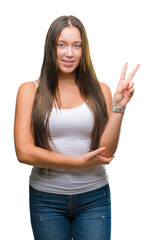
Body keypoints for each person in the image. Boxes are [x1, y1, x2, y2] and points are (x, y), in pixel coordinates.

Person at [14, 15, 140, 240]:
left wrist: (118, 108)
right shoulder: (29, 91)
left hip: (94, 198)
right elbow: (23, 152)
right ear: (50, 48)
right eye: (61, 45)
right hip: (46, 199)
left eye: (76, 45)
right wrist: (77, 163)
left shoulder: (100, 90)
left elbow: (106, 153)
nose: (69, 53)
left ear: (84, 50)